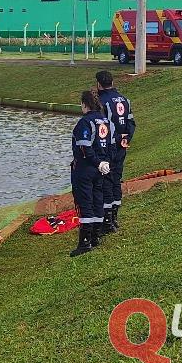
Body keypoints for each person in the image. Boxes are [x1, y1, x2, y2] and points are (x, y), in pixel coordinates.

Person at [69, 90, 112, 257]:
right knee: (98, 200)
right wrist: (105, 162)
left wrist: (97, 162)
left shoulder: (85, 123)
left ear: (84, 104)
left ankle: (84, 242)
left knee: (85, 203)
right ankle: (95, 237)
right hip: (101, 169)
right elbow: (109, 145)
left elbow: (84, 148)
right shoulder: (105, 121)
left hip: (86, 169)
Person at [96, 71, 135, 235]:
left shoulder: (101, 102)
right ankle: (114, 219)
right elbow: (131, 123)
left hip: (108, 147)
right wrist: (125, 140)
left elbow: (103, 128)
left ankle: (107, 221)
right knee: (116, 179)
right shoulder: (125, 100)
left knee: (106, 181)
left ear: (98, 83)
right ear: (112, 82)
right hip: (122, 146)